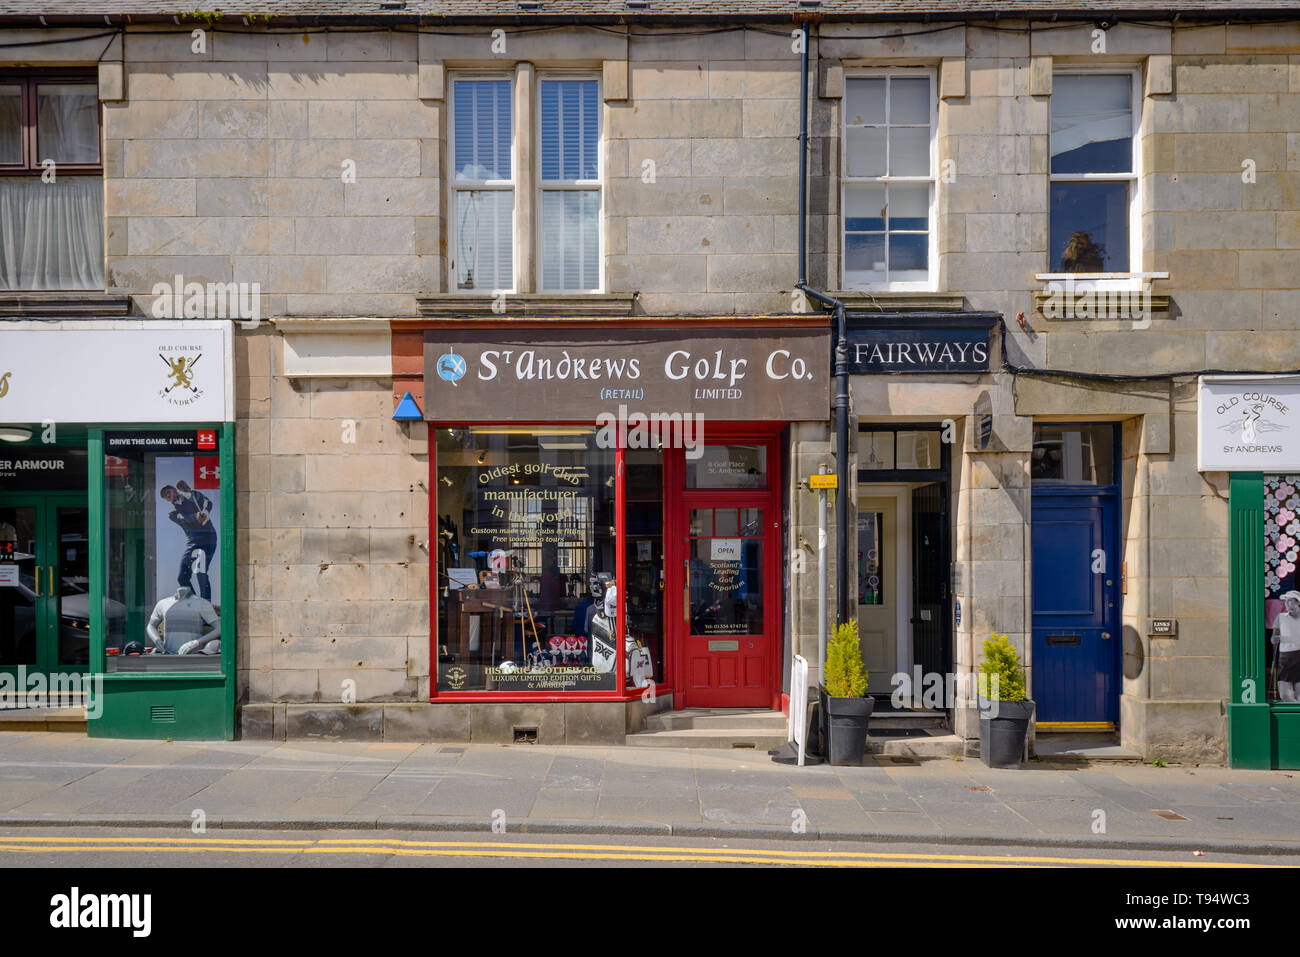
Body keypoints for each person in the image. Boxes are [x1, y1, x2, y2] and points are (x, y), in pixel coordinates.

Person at [161, 479, 218, 601]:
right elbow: (184, 518)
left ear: (174, 489)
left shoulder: (193, 496)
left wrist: (205, 513)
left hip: (208, 537)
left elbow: (208, 503)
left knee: (200, 571)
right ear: (167, 500)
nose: (169, 495)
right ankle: (195, 602)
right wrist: (196, 517)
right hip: (193, 541)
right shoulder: (173, 513)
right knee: (182, 577)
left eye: (169, 492)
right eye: (166, 496)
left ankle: (205, 604)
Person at [1273, 590, 1300, 701]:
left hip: (1299, 656)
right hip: (1285, 657)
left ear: (1297, 602)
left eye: (1290, 601)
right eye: (1286, 601)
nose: (1287, 604)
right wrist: (1274, 639)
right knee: (1285, 695)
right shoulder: (1281, 617)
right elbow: (1274, 637)